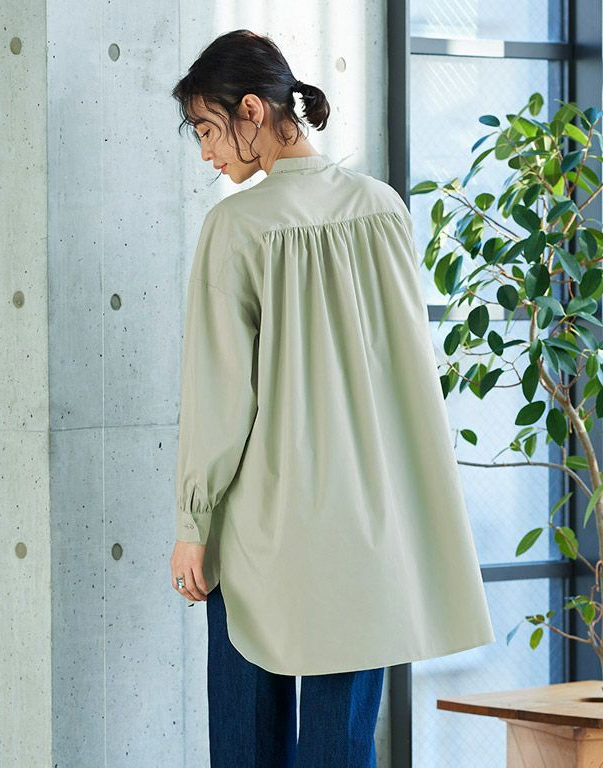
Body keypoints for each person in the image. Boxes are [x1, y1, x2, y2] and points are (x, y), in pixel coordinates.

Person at [169, 29, 496, 768]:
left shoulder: (236, 227)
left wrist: (193, 523)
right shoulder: (382, 208)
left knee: (248, 744)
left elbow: (220, 396)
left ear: (252, 110)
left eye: (208, 130)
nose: (207, 155)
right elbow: (406, 372)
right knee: (340, 747)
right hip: (367, 530)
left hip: (263, 534)